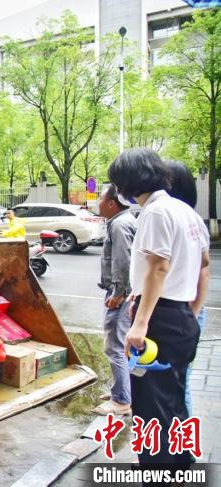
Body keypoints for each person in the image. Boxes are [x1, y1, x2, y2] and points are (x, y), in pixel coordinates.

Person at [108, 148, 209, 473]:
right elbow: (203, 265)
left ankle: (158, 476)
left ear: (128, 181)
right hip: (180, 317)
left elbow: (158, 269)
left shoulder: (154, 213)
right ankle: (180, 468)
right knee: (173, 400)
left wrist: (139, 325)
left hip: (158, 320)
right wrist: (190, 312)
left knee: (151, 406)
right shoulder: (185, 211)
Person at [166, 160, 210, 417]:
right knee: (178, 381)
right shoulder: (191, 219)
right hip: (185, 312)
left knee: (176, 383)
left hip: (181, 313)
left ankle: (183, 448)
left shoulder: (180, 220)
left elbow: (203, 271)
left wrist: (192, 314)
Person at [93, 184, 136, 416]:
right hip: (123, 291)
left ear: (111, 204)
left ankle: (121, 401)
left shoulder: (120, 224)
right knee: (120, 345)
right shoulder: (122, 220)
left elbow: (123, 261)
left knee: (115, 347)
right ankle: (121, 390)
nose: (97, 203)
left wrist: (118, 293)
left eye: (100, 198)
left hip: (121, 293)